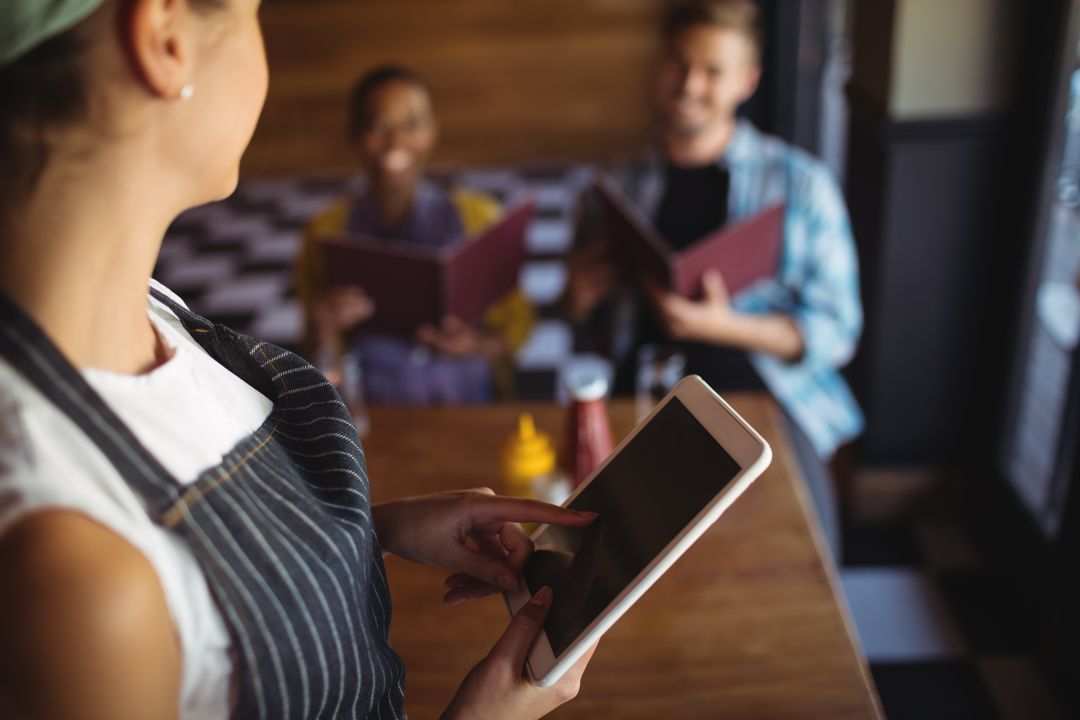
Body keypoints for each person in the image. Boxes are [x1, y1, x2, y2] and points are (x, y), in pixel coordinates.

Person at [0, 2, 593, 718]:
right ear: (164, 40)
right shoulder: (80, 590)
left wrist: (373, 530)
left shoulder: (148, 307)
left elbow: (206, 611)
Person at [564, 0, 863, 554]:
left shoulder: (802, 184)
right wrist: (575, 299)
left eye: (713, 71)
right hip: (644, 396)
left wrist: (723, 326)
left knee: (800, 562)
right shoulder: (614, 184)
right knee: (615, 565)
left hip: (766, 398)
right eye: (678, 63)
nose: (689, 84)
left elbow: (838, 332)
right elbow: (582, 331)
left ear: (746, 81)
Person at [296, 65, 535, 404]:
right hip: (374, 414)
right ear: (354, 134)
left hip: (467, 404)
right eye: (378, 126)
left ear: (433, 131)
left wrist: (477, 346)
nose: (396, 142)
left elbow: (516, 328)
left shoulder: (479, 219)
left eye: (412, 125)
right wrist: (324, 327)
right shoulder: (323, 233)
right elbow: (318, 363)